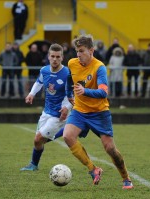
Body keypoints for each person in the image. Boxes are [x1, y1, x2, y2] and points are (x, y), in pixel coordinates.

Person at [63, 34, 133, 189]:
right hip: (80, 110)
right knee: (67, 136)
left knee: (110, 149)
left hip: (99, 112)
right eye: (77, 51)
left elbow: (104, 92)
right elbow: (69, 79)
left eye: (81, 51)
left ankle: (126, 178)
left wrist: (85, 91)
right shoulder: (72, 63)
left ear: (91, 50)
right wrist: (69, 94)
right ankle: (93, 169)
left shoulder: (99, 67)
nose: (78, 54)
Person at [20, 43, 72, 171]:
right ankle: (66, 130)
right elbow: (39, 82)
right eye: (52, 56)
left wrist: (67, 107)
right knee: (37, 141)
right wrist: (31, 94)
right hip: (46, 111)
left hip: (59, 114)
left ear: (62, 57)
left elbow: (73, 94)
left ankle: (33, 164)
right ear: (48, 56)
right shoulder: (44, 70)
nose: (55, 59)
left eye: (58, 57)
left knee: (38, 138)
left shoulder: (67, 74)